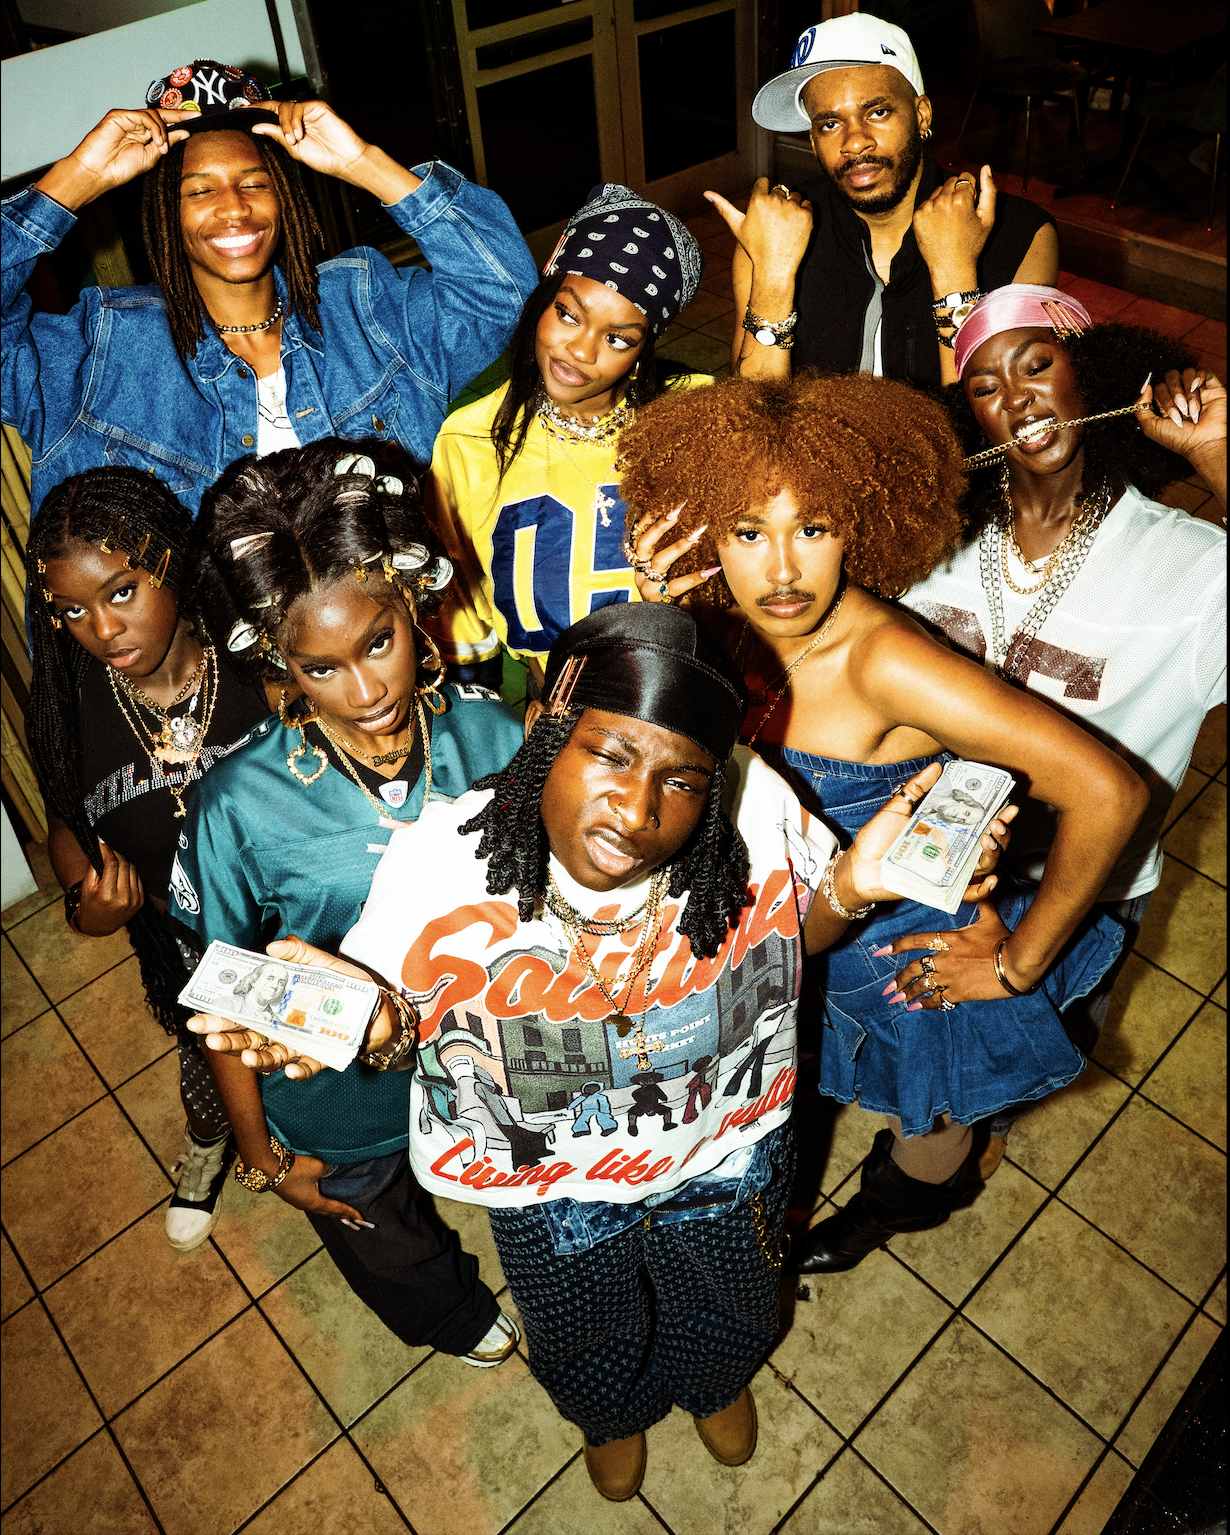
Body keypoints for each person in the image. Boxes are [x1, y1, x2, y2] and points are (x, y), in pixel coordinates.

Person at [188, 602, 1007, 1502]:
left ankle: (716, 1381)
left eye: (684, 780)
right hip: (552, 1182)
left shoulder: (756, 805)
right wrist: (377, 1031)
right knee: (580, 1324)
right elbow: (402, 1019)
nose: (637, 806)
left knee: (736, 1292)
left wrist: (855, 886)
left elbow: (786, 939)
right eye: (609, 754)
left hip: (724, 1149)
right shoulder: (439, 865)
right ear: (544, 731)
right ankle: (611, 1415)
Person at [617, 372, 1148, 1269]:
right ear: (708, 530)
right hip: (794, 935)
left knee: (929, 1126)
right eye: (750, 532)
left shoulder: (887, 661)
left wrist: (1019, 967)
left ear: (856, 526)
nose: (782, 572)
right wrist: (654, 622)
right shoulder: (714, 622)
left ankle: (900, 1207)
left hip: (906, 967)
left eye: (813, 529)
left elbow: (1111, 791)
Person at [166, 436, 525, 1365]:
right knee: (384, 1230)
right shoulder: (241, 805)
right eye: (321, 667)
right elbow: (222, 988)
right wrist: (265, 1155)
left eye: (379, 642)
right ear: (280, 665)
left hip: (490, 1054)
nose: (367, 691)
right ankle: (445, 1316)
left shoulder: (493, 733)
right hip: (340, 1102)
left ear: (412, 604)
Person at [901, 286, 1226, 1168]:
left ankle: (989, 1135)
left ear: (1096, 375)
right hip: (942, 873)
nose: (1018, 400)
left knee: (1022, 1065)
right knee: (930, 1088)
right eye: (985, 386)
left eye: (1038, 364)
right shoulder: (935, 539)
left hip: (1086, 898)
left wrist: (1216, 453)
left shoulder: (1189, 568)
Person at [2, 58, 536, 529]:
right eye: (200, 189)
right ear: (168, 213)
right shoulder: (103, 351)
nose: (234, 207)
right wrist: (77, 178)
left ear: (284, 198)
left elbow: (506, 295)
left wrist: (363, 164)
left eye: (255, 182)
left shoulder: (367, 306)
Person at [26, 465, 270, 1249]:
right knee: (211, 1074)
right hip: (193, 950)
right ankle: (208, 1141)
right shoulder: (70, 705)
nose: (102, 630)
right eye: (72, 609)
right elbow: (68, 821)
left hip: (307, 924)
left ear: (171, 559)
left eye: (122, 590)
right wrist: (84, 899)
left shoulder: (254, 660)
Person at [426, 183, 709, 688]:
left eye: (618, 338)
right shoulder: (469, 442)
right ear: (542, 302)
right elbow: (466, 625)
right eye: (568, 314)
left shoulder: (693, 418)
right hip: (550, 711)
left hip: (674, 697)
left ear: (643, 351)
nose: (580, 350)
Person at [709, 13, 1058, 389]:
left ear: (922, 115)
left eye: (877, 112)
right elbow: (749, 417)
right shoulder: (772, 235)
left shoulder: (1022, 236)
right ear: (812, 140)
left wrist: (955, 278)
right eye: (829, 124)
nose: (855, 142)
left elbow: (998, 431)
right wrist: (774, 275)